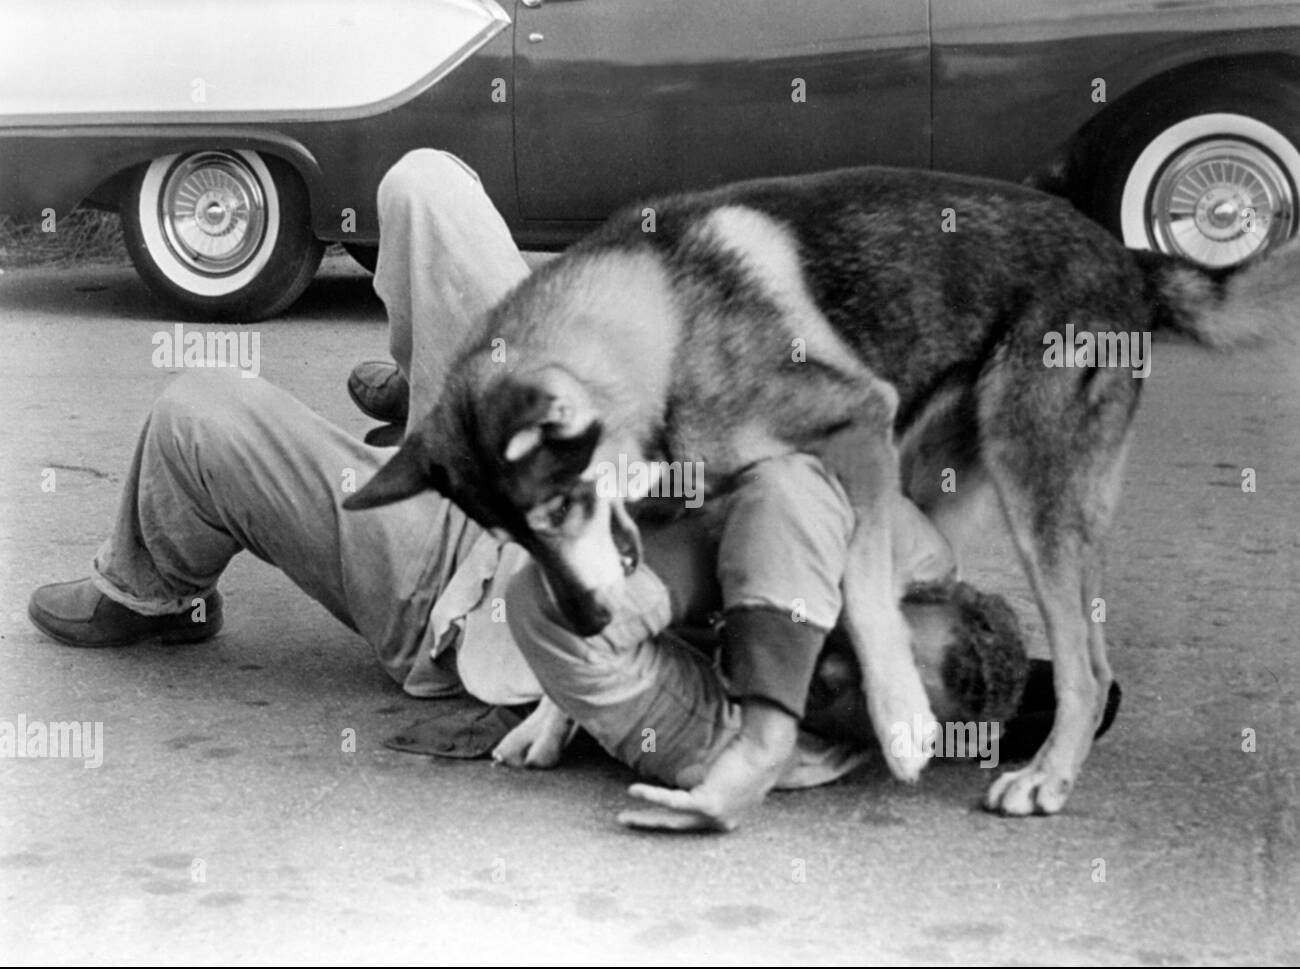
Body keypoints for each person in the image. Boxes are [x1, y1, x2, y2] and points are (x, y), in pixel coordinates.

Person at [27, 151, 1111, 832]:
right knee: (424, 186)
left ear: (879, 744)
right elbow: (808, 465)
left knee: (199, 413)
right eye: (868, 654)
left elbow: (573, 621)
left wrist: (761, 716)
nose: (824, 655)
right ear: (935, 600)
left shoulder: (750, 740)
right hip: (579, 457)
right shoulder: (905, 554)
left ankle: (153, 588)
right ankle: (430, 402)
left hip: (458, 589)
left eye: (836, 686)